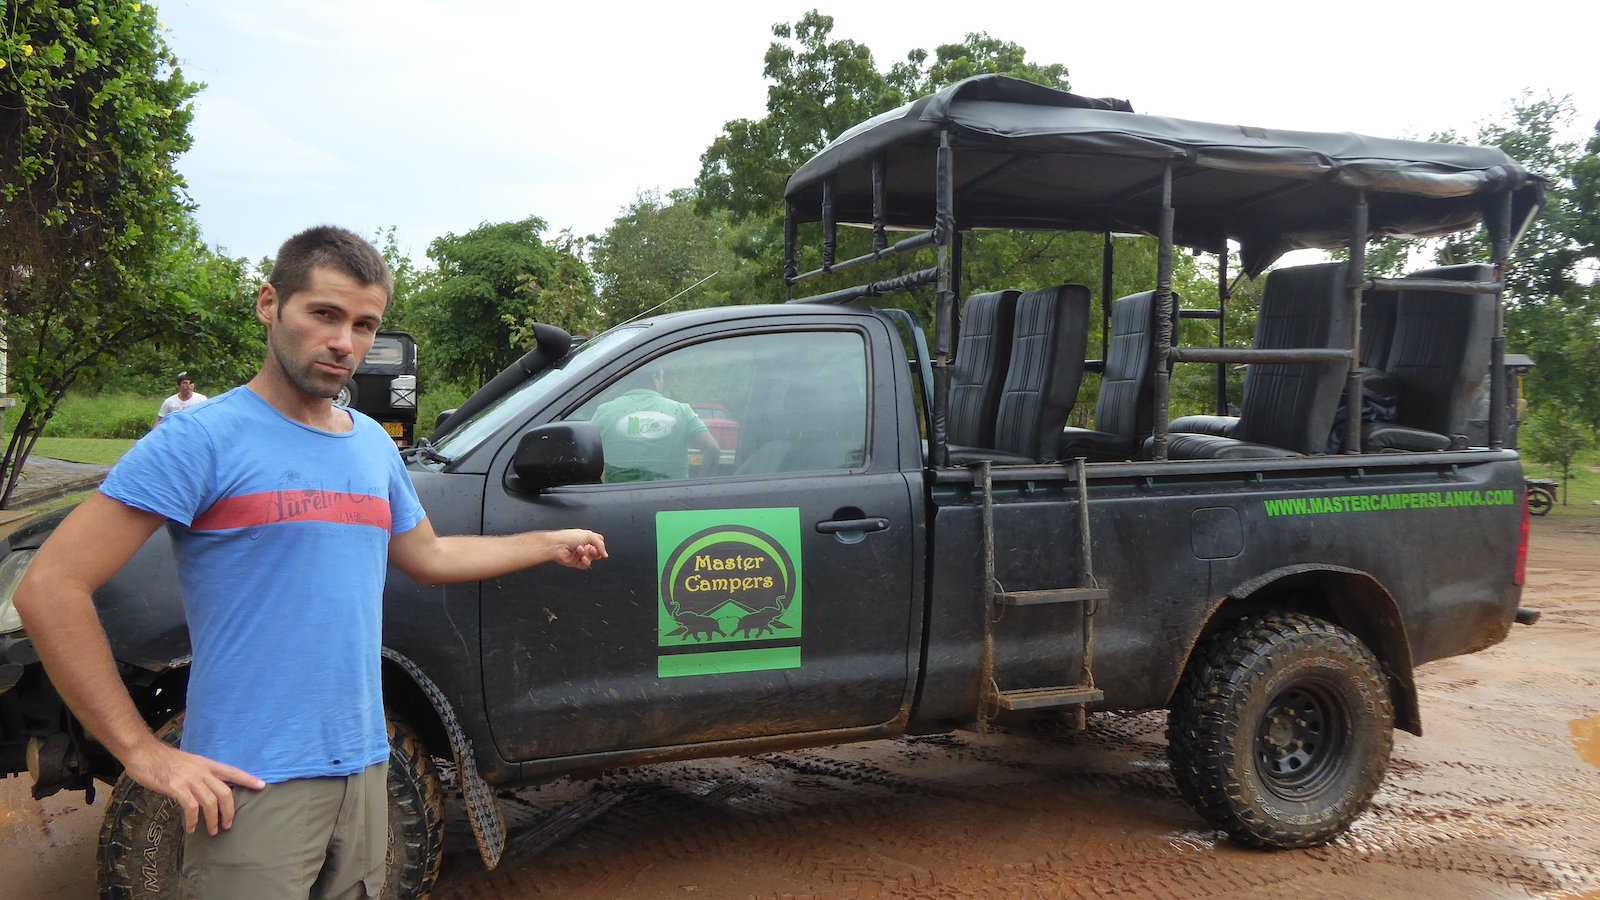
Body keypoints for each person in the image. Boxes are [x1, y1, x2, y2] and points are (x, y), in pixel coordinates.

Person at [13, 226, 607, 900]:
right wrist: (141, 752)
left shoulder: (371, 450)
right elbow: (51, 587)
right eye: (323, 314)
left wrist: (545, 544)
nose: (343, 342)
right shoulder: (201, 439)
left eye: (364, 324)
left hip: (364, 771)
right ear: (270, 304)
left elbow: (429, 555)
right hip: (250, 781)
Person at [589, 366, 720, 482]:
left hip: (615, 501)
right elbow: (712, 449)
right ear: (656, 376)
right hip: (673, 500)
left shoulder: (604, 412)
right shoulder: (681, 410)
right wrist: (699, 487)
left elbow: (587, 454)